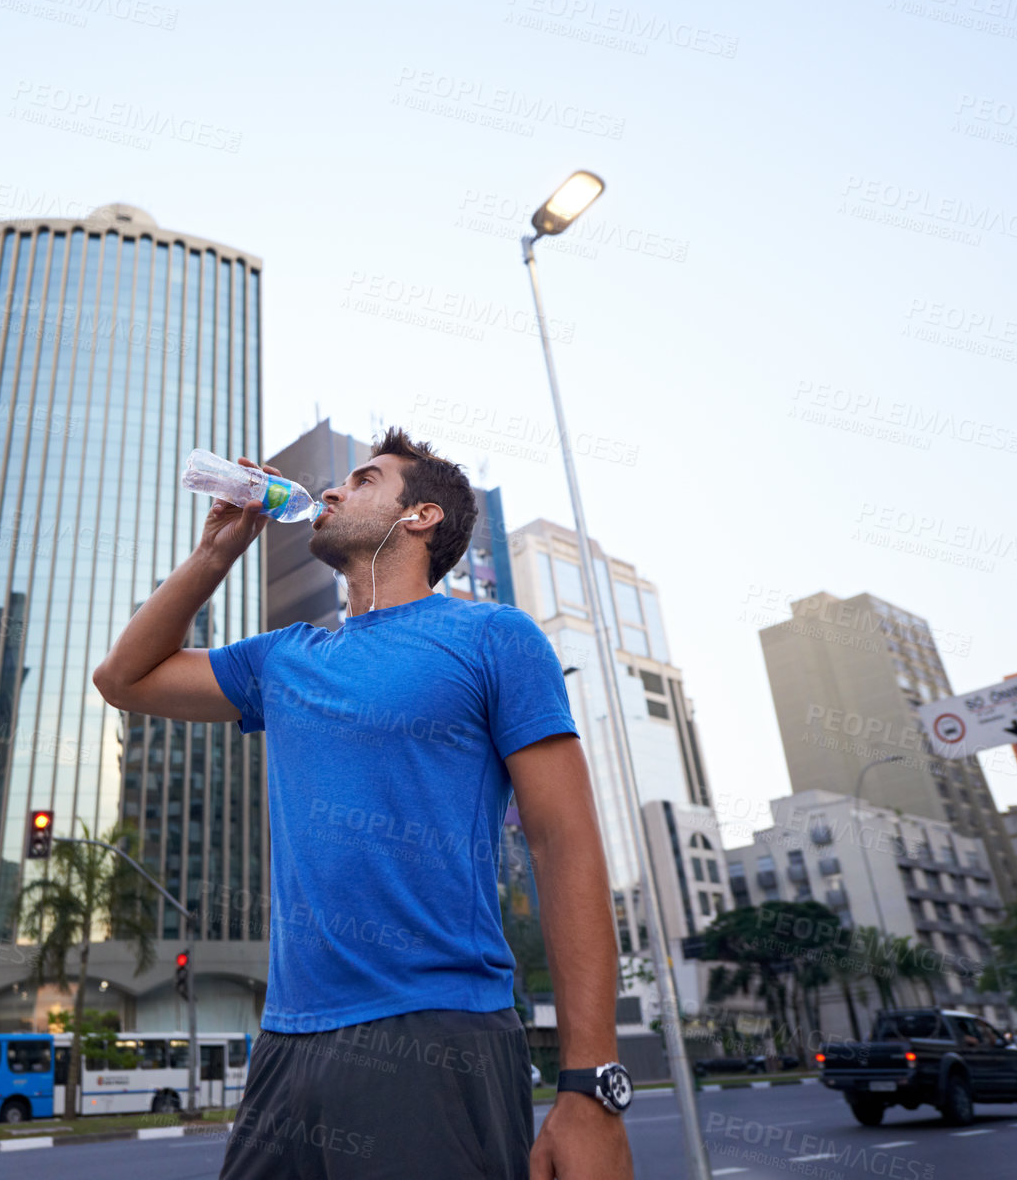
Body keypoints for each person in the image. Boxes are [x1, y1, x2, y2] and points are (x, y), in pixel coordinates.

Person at [94, 428, 634, 1179]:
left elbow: (563, 842)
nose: (336, 490)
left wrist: (591, 1087)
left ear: (420, 517)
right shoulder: (282, 658)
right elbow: (123, 678)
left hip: (436, 1031)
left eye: (364, 479)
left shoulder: (493, 637)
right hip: (286, 1044)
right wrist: (216, 551)